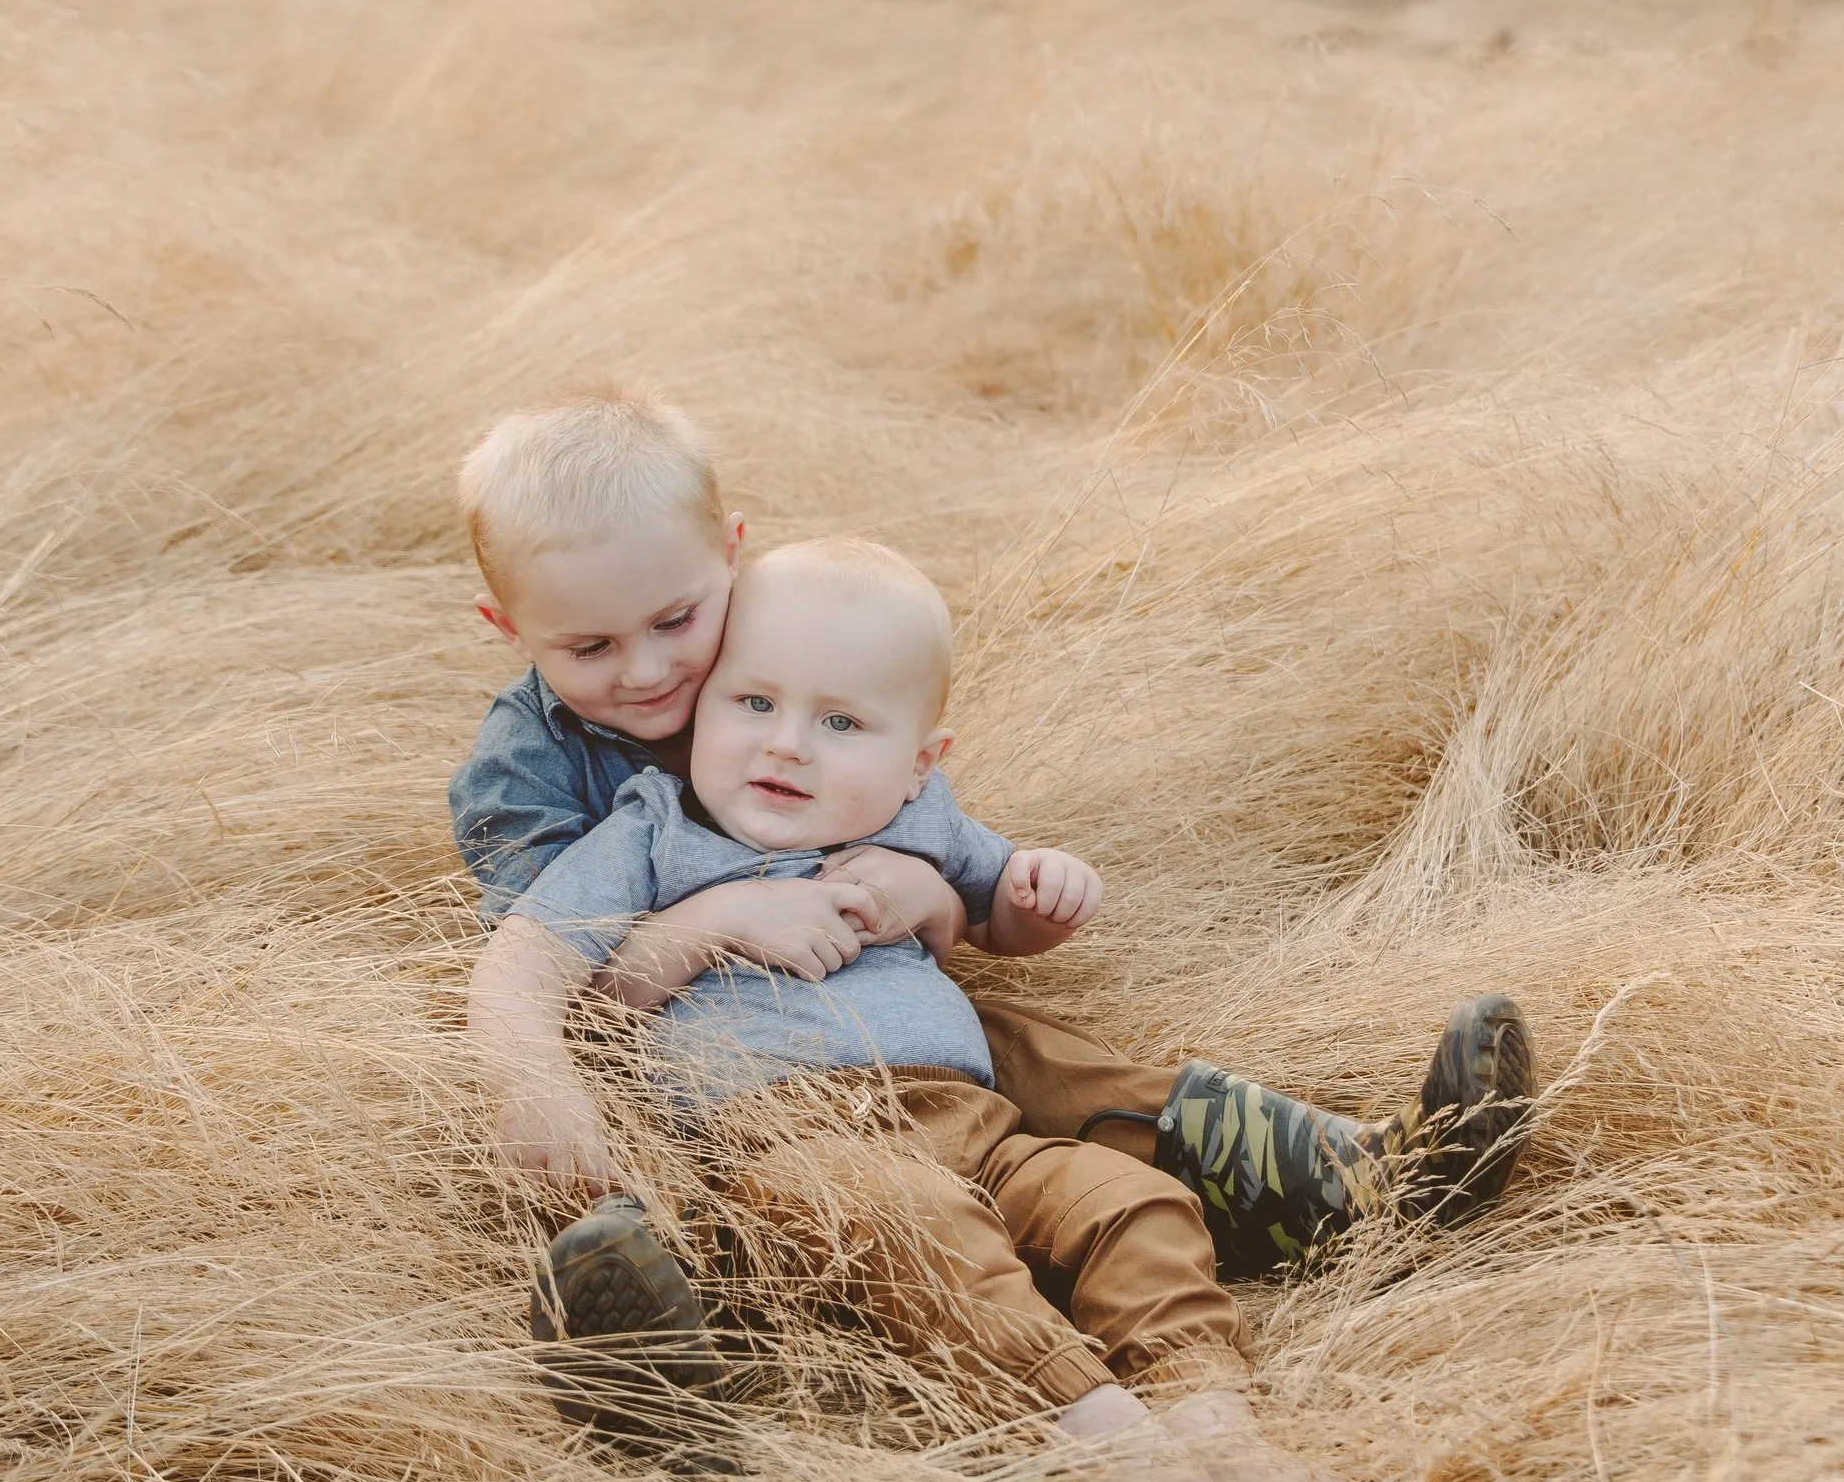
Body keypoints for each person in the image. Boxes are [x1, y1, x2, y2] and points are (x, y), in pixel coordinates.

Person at [449, 390, 1534, 1282]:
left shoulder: (783, 643)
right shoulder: (527, 769)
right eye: (589, 645)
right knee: (715, 1179)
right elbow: (573, 997)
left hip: (868, 993)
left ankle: (1360, 1176)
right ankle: (652, 1314)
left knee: (1029, 1054)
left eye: (676, 620)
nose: (647, 672)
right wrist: (718, 917)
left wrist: (941, 896)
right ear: (511, 631)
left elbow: (914, 830)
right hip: (705, 1061)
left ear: (729, 556)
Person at [469, 534, 1362, 1482]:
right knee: (915, 1226)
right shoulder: (653, 829)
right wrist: (572, 1047)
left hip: (977, 1124)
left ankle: (1210, 1412)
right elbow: (536, 964)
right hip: (794, 1144)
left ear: (919, 763)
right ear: (701, 706)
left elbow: (1002, 918)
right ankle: (1105, 1438)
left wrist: (1036, 897)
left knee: (1132, 1200)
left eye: (841, 721)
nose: (786, 744)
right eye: (752, 702)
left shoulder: (914, 819)